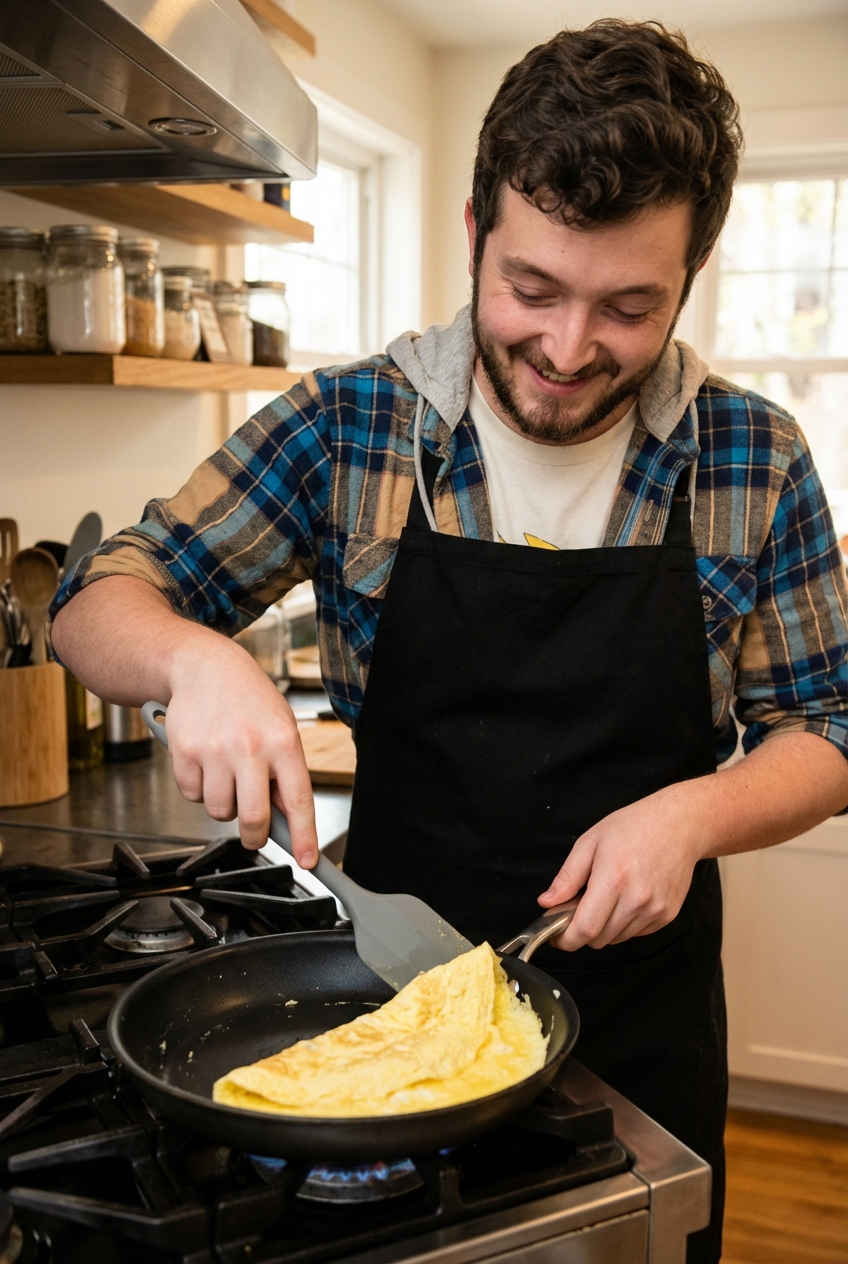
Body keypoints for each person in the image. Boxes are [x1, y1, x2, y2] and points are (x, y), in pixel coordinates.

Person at [51, 21, 848, 1264]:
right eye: (532, 289)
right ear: (475, 231)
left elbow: (829, 727)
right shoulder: (350, 424)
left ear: (687, 280)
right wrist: (193, 658)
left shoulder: (753, 457)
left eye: (627, 306)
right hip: (388, 993)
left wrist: (691, 816)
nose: (570, 348)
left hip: (641, 1035)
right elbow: (102, 595)